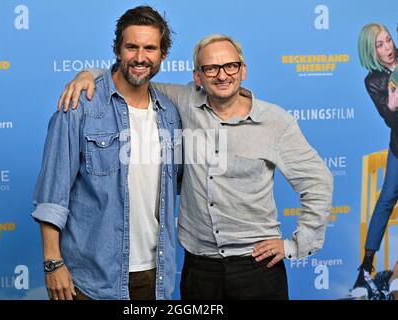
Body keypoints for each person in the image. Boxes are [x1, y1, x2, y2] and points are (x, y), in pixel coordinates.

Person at [58, 34, 333, 299]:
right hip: (199, 270)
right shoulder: (181, 101)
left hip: (257, 268)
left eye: (230, 66)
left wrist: (295, 244)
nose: (222, 75)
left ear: (243, 70)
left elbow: (318, 181)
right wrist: (87, 75)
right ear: (197, 76)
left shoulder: (276, 122)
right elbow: (131, 78)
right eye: (211, 68)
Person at [32, 6, 181, 300]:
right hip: (90, 281)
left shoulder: (170, 114)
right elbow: (52, 194)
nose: (140, 57)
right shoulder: (80, 105)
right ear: (117, 49)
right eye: (132, 47)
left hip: (155, 276)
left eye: (150, 48)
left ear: (162, 55)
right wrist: (53, 263)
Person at [353, 23, 398, 296]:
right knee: (386, 198)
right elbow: (390, 121)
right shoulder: (373, 81)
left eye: (389, 40)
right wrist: (392, 107)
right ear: (371, 52)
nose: (388, 49)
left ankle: (393, 275)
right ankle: (366, 266)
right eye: (379, 45)